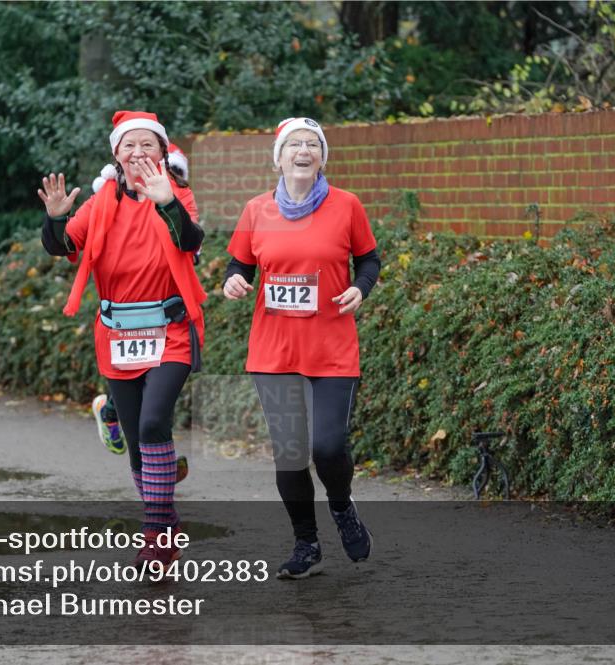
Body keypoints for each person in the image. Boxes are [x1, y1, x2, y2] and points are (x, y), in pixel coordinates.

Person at [39, 111, 205, 567]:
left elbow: (190, 241)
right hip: (118, 333)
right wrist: (55, 220)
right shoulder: (100, 203)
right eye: (128, 145)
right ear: (116, 154)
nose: (138, 153)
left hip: (171, 330)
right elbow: (62, 246)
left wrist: (166, 202)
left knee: (154, 423)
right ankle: (164, 513)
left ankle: (156, 531)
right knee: (137, 441)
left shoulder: (178, 194)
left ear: (163, 152)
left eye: (147, 145)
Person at [223, 117, 381, 579]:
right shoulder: (256, 209)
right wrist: (235, 280)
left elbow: (369, 259)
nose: (304, 150)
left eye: (313, 144)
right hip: (274, 352)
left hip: (332, 346)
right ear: (279, 156)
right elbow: (240, 264)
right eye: (294, 144)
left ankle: (342, 505)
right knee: (290, 452)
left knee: (328, 447)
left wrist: (361, 287)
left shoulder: (346, 205)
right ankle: (306, 544)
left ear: (321, 157)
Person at [90, 143, 191, 485]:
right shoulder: (112, 201)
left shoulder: (176, 198)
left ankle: (156, 452)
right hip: (122, 324)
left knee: (154, 411)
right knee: (133, 401)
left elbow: (190, 239)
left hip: (165, 324)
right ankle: (111, 413)